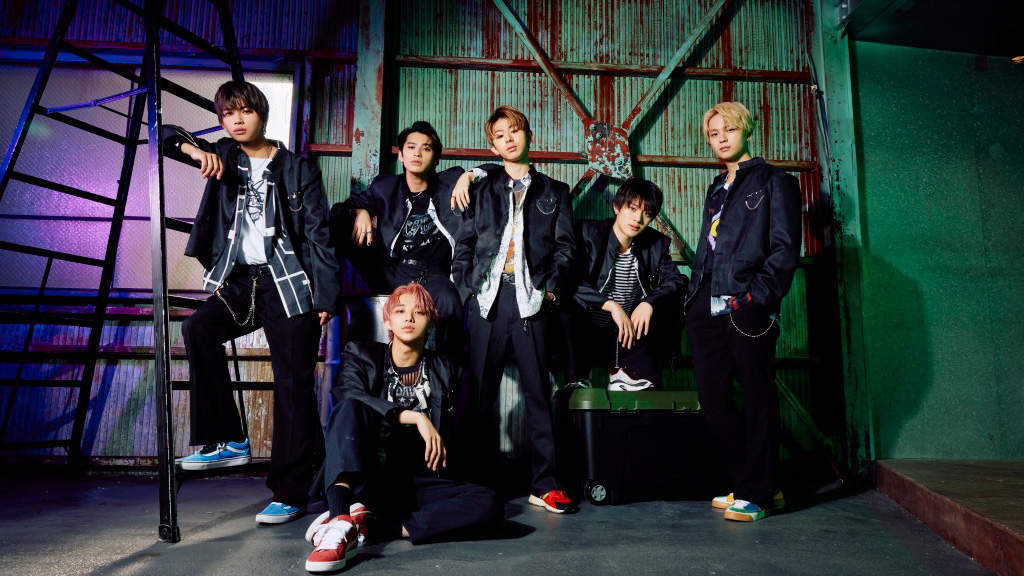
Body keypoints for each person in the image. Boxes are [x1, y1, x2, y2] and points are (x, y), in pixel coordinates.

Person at [165, 80, 338, 525]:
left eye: (245, 111)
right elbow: (163, 135)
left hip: (290, 282)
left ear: (262, 114)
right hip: (243, 280)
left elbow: (318, 233)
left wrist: (325, 296)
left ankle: (291, 492)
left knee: (293, 387)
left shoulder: (298, 168)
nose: (237, 120)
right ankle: (229, 438)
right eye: (228, 114)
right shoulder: (223, 155)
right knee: (198, 328)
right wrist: (192, 151)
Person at [303, 283, 503, 573]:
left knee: (490, 503)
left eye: (419, 312)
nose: (409, 317)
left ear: (430, 323)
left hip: (417, 480)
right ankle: (339, 519)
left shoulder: (448, 368)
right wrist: (415, 417)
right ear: (388, 321)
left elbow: (465, 434)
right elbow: (348, 394)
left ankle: (374, 526)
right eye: (400, 311)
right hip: (368, 473)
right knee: (348, 409)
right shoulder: (361, 354)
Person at [450, 105, 577, 514]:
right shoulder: (481, 188)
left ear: (528, 135)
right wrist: (466, 290)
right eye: (500, 135)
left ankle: (546, 484)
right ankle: (474, 482)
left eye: (515, 131)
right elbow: (465, 245)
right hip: (487, 299)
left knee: (538, 393)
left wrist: (550, 292)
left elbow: (566, 249)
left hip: (531, 301)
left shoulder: (555, 191)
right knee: (478, 394)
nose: (509, 139)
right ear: (493, 146)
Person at [684, 101, 801, 522]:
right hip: (707, 304)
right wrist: (694, 302)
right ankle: (756, 482)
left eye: (729, 130)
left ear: (746, 130)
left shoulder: (775, 182)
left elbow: (784, 249)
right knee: (714, 400)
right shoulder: (717, 187)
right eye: (714, 134)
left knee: (756, 398)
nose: (722, 139)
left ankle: (758, 493)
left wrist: (756, 299)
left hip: (746, 305)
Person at [332, 121, 468, 356]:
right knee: (338, 222)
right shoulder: (385, 187)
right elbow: (340, 210)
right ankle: (328, 300)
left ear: (436, 159)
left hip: (433, 272)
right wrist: (360, 210)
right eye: (411, 147)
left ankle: (447, 372)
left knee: (450, 302)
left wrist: (470, 175)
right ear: (401, 156)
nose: (417, 153)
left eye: (426, 148)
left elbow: (494, 172)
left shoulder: (450, 182)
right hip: (392, 270)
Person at [570, 178, 686, 390]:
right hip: (589, 330)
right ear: (617, 207)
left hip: (632, 334)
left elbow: (675, 281)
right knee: (565, 302)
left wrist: (649, 302)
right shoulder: (588, 234)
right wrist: (611, 306)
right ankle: (579, 376)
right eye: (632, 209)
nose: (638, 219)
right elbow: (571, 279)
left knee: (669, 298)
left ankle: (627, 374)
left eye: (647, 213)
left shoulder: (656, 244)